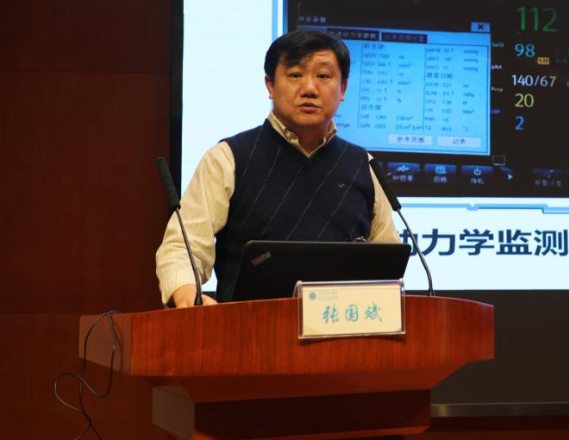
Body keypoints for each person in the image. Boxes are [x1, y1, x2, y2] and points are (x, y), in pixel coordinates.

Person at [155, 29, 400, 307]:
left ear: (343, 88)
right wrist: (188, 296)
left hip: (344, 329)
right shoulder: (228, 158)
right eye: (295, 75)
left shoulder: (363, 165)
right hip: (249, 329)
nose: (309, 89)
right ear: (270, 85)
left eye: (323, 76)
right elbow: (182, 247)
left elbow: (388, 262)